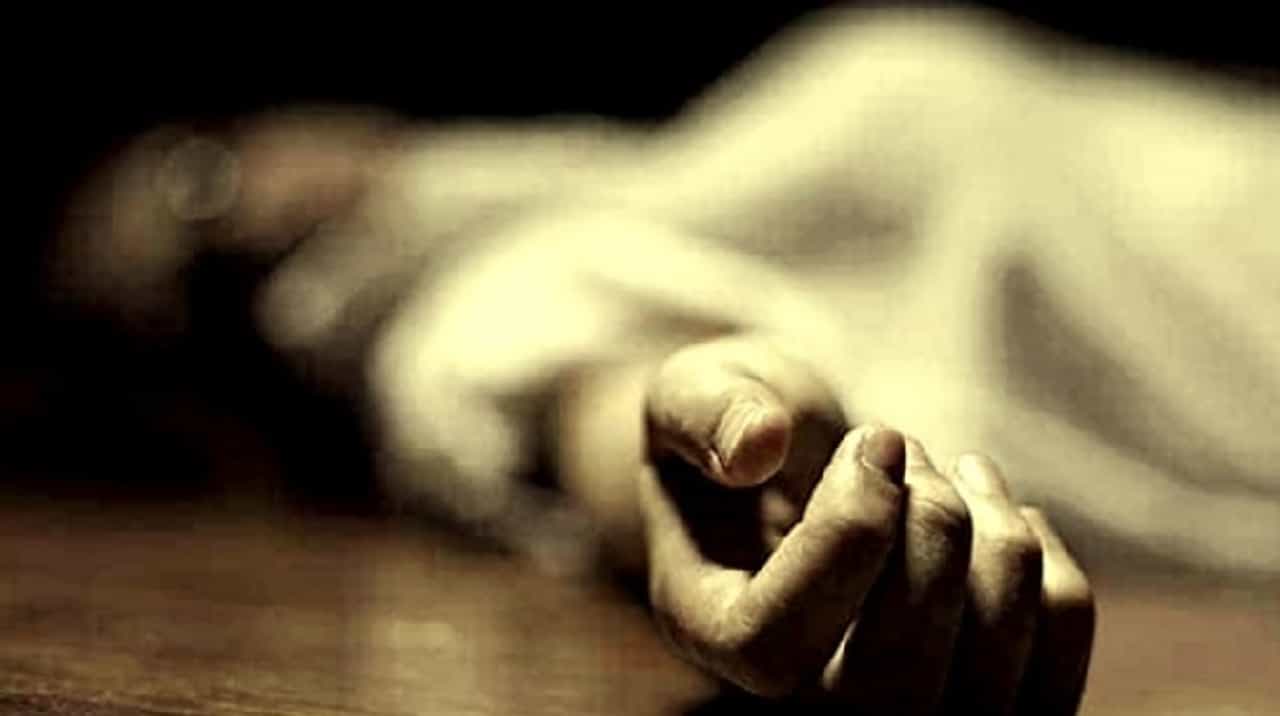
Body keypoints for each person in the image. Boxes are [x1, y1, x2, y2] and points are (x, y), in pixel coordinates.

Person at [46, 6, 1280, 711]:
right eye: (208, 260)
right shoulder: (463, 314)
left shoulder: (645, 165)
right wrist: (698, 467)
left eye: (205, 165)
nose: (255, 206)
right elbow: (588, 370)